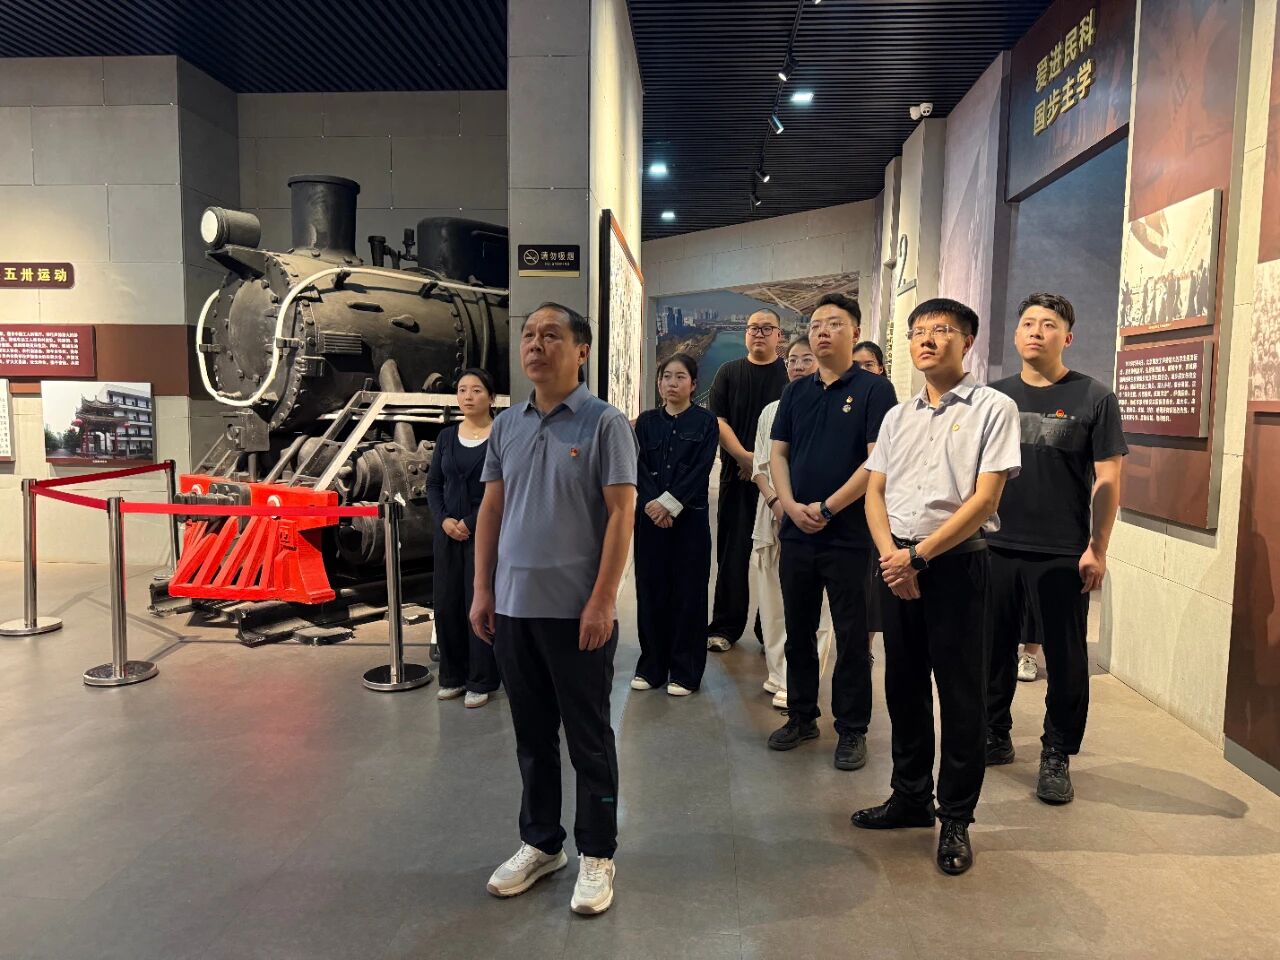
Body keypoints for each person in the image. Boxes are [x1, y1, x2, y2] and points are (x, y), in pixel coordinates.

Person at [471, 302, 637, 915]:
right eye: (529, 336)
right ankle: (542, 843)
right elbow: (492, 509)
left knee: (589, 738)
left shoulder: (604, 424)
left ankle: (597, 852)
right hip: (514, 609)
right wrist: (483, 589)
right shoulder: (507, 426)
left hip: (577, 612)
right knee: (532, 736)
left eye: (552, 335)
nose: (536, 345)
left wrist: (603, 600)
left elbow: (621, 514)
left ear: (582, 351)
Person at [852, 297, 1021, 878]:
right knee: (902, 686)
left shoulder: (993, 408)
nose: (927, 339)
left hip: (954, 567)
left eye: (941, 330)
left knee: (961, 694)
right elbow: (875, 491)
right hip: (896, 562)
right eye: (918, 331)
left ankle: (956, 817)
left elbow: (986, 499)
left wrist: (918, 558)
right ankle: (909, 797)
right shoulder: (897, 416)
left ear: (967, 341)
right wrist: (891, 558)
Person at [985, 293, 1127, 805]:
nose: (1036, 332)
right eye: (1027, 323)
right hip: (994, 543)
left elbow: (1108, 478)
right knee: (991, 648)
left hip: (1062, 549)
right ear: (1016, 334)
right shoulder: (994, 397)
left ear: (1067, 337)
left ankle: (1057, 752)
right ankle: (993, 733)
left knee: (1066, 658)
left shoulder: (1095, 398)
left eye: (1048, 324)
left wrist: (1097, 547)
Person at [767, 293, 897, 770]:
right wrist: (788, 505)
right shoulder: (795, 392)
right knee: (798, 629)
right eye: (816, 323)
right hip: (797, 532)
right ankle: (802, 716)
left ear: (855, 332)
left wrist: (828, 507)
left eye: (834, 323)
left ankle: (852, 728)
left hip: (848, 534)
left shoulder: (874, 390)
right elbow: (778, 453)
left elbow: (877, 461)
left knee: (851, 635)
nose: (822, 331)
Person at [750, 336, 834, 710]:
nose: (798, 366)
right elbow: (760, 466)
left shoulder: (831, 406)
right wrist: (778, 503)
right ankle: (777, 672)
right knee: (772, 600)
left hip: (817, 517)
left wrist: (810, 509)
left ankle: (799, 680)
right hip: (773, 515)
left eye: (806, 360)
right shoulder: (772, 410)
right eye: (793, 361)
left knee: (816, 607)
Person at [631, 353, 719, 696]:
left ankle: (685, 671)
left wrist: (668, 504)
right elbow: (637, 466)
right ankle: (652, 666)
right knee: (650, 590)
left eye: (680, 377)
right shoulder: (646, 422)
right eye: (666, 376)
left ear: (693, 384)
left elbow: (700, 469)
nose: (672, 383)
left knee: (688, 593)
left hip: (690, 520)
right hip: (649, 520)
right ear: (658, 383)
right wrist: (653, 505)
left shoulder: (705, 422)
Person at [706, 310, 787, 652]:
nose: (759, 334)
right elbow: (718, 420)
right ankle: (725, 627)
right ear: (745, 334)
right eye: (753, 328)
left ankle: (768, 630)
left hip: (780, 483)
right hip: (735, 475)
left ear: (778, 335)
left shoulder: (789, 376)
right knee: (732, 555)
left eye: (767, 328)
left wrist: (762, 466)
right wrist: (744, 457)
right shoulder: (728, 372)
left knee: (775, 558)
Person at [426, 368, 501, 708]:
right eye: (462, 390)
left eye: (477, 390)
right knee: (446, 603)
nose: (468, 396)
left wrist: (470, 522)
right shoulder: (446, 437)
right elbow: (433, 484)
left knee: (479, 602)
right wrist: (442, 519)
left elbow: (504, 487)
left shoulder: (499, 436)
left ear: (491, 397)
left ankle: (481, 679)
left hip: (483, 532)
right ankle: (452, 675)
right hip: (447, 534)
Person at [853, 340, 894, 655]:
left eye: (869, 365)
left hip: (879, 501)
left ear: (881, 368)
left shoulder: (891, 407)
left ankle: (865, 647)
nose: (863, 371)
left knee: (872, 578)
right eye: (857, 366)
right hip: (848, 502)